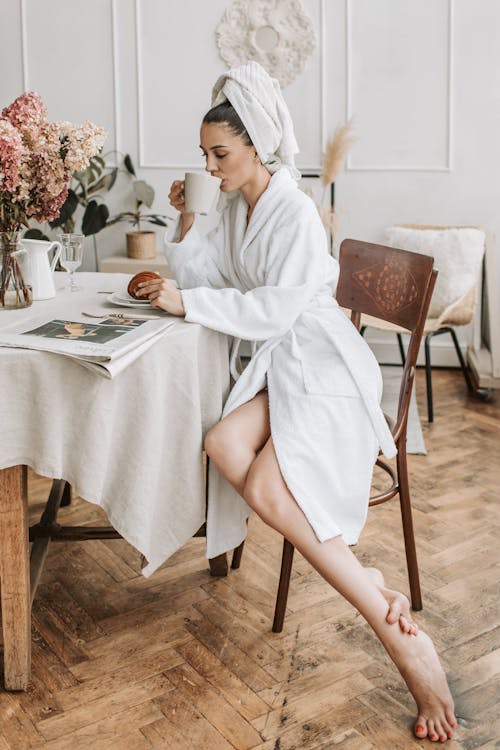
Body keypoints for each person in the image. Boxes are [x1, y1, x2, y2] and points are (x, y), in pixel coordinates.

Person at [137, 61, 456, 742]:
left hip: (320, 364)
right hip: (281, 361)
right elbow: (212, 273)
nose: (211, 164)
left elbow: (273, 309)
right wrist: (188, 210)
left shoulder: (296, 212)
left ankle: (398, 637)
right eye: (204, 156)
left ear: (255, 145)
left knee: (267, 487)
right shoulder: (231, 205)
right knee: (223, 445)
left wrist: (186, 301)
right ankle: (358, 568)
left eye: (219, 154)